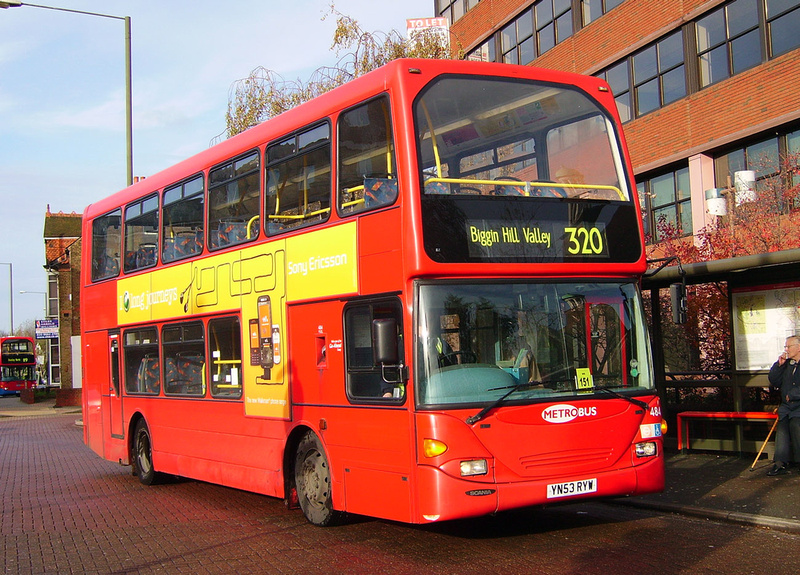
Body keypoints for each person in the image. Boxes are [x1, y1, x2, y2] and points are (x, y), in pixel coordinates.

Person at [766, 335, 800, 476]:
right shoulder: (787, 364)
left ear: (798, 347)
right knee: (782, 429)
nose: (786, 349)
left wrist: (793, 395)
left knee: (796, 426)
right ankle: (780, 463)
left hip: (798, 405)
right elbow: (774, 380)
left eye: (788, 346)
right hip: (787, 406)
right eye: (785, 346)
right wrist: (779, 365)